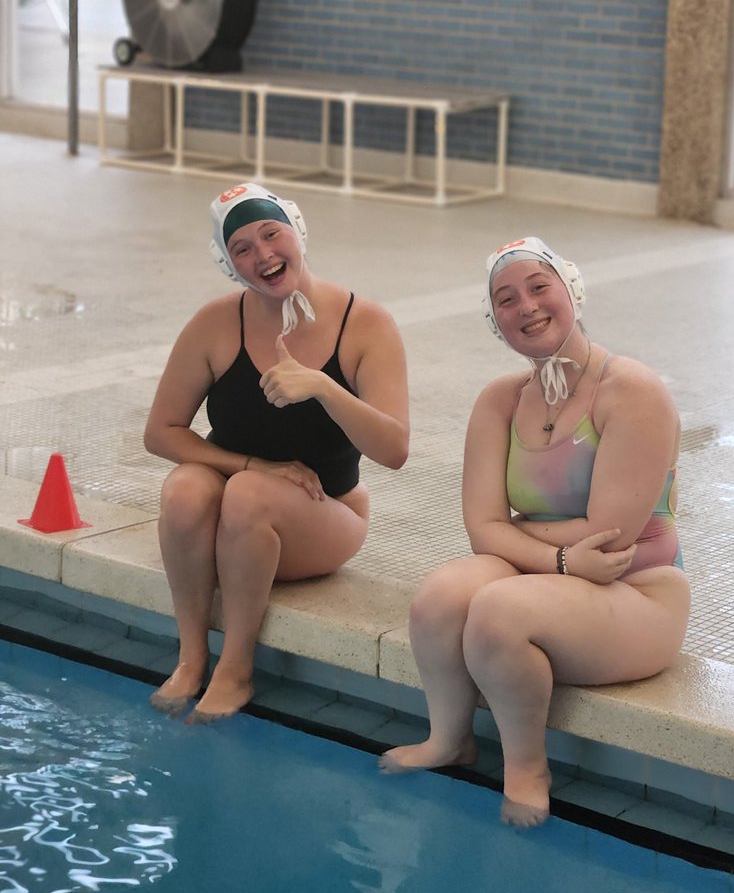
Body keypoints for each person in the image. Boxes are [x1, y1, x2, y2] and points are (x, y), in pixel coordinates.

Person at [380, 236, 689, 827]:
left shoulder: (631, 391)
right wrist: (561, 560)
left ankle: (526, 769)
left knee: (498, 612)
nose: (526, 306)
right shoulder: (500, 402)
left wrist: (516, 529)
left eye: (539, 287)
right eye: (506, 299)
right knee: (440, 597)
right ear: (495, 321)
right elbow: (480, 530)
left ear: (570, 289)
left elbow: (610, 535)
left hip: (638, 592)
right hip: (559, 577)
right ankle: (450, 738)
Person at [144, 183, 409, 721]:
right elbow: (161, 431)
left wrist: (323, 387)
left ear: (298, 234)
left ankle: (235, 669)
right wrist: (250, 465)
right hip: (234, 521)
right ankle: (192, 657)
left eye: (271, 234)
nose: (263, 254)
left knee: (246, 497)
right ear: (229, 264)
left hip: (328, 516)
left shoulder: (366, 324)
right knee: (185, 490)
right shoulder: (215, 324)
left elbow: (395, 449)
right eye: (242, 247)